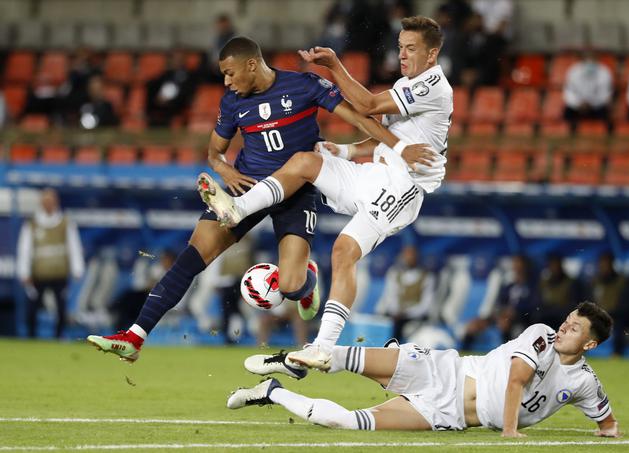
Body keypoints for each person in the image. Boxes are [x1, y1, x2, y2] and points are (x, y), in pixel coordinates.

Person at [86, 36, 430, 362]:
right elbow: (214, 154)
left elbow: (358, 117)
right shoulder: (233, 103)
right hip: (247, 187)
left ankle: (306, 281)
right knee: (191, 258)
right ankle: (135, 336)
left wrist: (399, 147)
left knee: (292, 285)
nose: (226, 82)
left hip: (297, 193)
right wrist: (226, 171)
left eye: (229, 73)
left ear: (252, 65)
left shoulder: (304, 86)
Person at [208, 16, 450, 372]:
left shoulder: (433, 85)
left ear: (432, 54)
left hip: (404, 187)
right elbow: (381, 139)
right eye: (400, 47)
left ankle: (322, 347)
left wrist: (335, 66)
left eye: (411, 48)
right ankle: (239, 207)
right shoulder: (407, 83)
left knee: (343, 250)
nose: (402, 54)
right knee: (306, 160)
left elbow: (366, 106)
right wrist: (347, 151)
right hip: (377, 175)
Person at [229, 302, 619, 437]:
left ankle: (272, 391)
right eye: (568, 319)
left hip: (445, 414)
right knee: (338, 357)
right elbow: (517, 380)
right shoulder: (541, 335)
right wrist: (511, 431)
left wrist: (609, 432)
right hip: (444, 372)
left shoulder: (584, 382)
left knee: (347, 423)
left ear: (590, 344)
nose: (564, 327)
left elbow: (606, 419)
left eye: (574, 327)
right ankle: (293, 360)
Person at [16, 188, 85, 338]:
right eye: (46, 201)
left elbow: (74, 246)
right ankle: (31, 337)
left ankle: (58, 337)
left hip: (59, 274)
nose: (48, 205)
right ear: (41, 203)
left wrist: (77, 269)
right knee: (32, 308)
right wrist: (24, 272)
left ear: (56, 203)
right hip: (38, 274)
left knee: (61, 309)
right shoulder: (32, 224)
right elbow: (25, 249)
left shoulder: (64, 222)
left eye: (51, 201)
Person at [376, 244, 436, 342]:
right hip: (395, 315)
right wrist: (395, 312)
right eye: (406, 255)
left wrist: (407, 314)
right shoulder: (394, 273)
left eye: (411, 255)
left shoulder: (427, 277)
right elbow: (390, 296)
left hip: (415, 317)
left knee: (401, 328)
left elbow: (426, 304)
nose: (408, 258)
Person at [563, 50, 613, 131]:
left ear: (597, 59)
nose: (590, 62)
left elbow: (605, 94)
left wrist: (591, 103)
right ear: (582, 60)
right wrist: (578, 103)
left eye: (592, 59)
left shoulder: (604, 72)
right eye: (587, 59)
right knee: (567, 113)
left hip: (597, 106)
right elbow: (569, 92)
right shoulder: (573, 71)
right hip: (577, 106)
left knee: (605, 114)